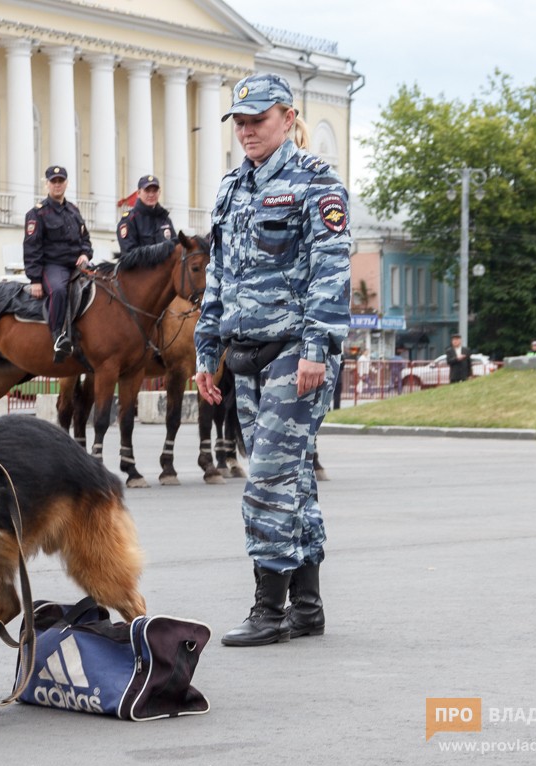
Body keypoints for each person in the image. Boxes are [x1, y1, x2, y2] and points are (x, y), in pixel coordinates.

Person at [193, 73, 351, 647]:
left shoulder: (317, 184)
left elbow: (331, 273)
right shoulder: (231, 188)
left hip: (295, 355)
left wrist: (315, 350)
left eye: (257, 119)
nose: (246, 130)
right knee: (293, 481)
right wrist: (205, 352)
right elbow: (218, 278)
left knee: (265, 480)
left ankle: (269, 608)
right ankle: (307, 607)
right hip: (246, 356)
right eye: (239, 121)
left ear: (288, 117)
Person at [23, 165, 93, 362]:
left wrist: (85, 254)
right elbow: (31, 247)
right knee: (59, 291)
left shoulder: (74, 211)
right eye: (53, 181)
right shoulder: (37, 214)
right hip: (53, 266)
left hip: (77, 265)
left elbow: (85, 239)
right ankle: (58, 337)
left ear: (66, 183)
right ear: (47, 184)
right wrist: (35, 279)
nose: (57, 185)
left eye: (60, 181)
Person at [117, 175, 175, 254]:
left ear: (159, 193)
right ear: (138, 193)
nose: (151, 195)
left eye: (154, 191)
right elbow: (129, 253)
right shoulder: (129, 220)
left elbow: (175, 247)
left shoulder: (165, 219)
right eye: (147, 191)